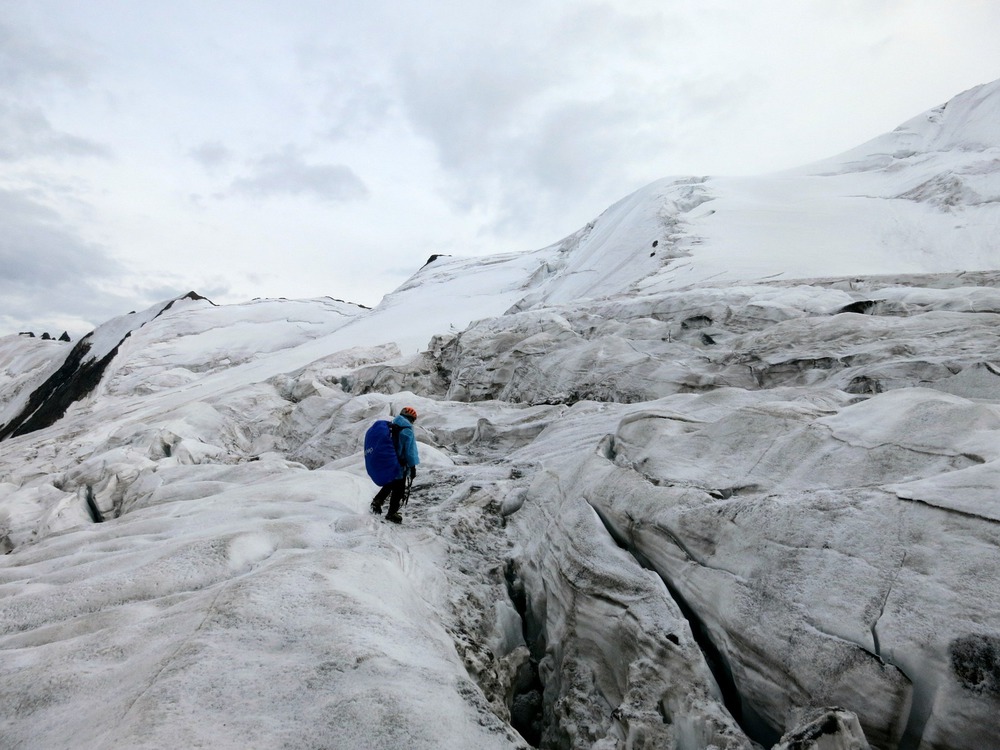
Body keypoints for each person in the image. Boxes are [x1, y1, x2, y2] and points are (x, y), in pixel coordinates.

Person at [370, 406, 420, 523]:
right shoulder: (407, 430)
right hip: (400, 464)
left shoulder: (392, 425)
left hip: (391, 460)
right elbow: (410, 451)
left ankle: (377, 501)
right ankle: (392, 513)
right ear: (411, 419)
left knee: (391, 483)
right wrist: (412, 466)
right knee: (399, 489)